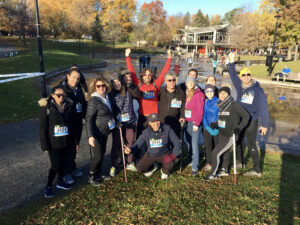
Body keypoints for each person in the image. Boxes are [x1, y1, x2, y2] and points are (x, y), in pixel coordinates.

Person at [228, 52, 269, 177]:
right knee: (238, 140)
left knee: (251, 143)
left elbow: (263, 107)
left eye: (248, 74)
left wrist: (265, 124)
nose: (246, 77)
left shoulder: (257, 89)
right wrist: (231, 61)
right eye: (243, 75)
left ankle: (256, 169)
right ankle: (241, 162)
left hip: (252, 120)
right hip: (240, 119)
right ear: (241, 77)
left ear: (251, 76)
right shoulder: (239, 86)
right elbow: (232, 74)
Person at [125, 48, 172, 140]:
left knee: (154, 138)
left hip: (154, 117)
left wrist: (169, 57)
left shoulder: (156, 85)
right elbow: (132, 71)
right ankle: (139, 154)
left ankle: (153, 154)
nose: (147, 77)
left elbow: (164, 72)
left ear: (152, 76)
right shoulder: (139, 84)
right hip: (142, 116)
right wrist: (127, 56)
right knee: (140, 138)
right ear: (142, 76)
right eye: (145, 75)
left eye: (149, 75)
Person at [39, 86, 77, 198]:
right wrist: (44, 145)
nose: (61, 97)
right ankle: (49, 186)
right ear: (53, 95)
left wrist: (75, 141)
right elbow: (42, 128)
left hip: (66, 141)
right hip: (53, 143)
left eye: (63, 95)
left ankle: (60, 182)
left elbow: (72, 125)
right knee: (55, 166)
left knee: (63, 163)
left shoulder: (69, 105)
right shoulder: (47, 108)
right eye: (58, 95)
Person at [205, 86, 250, 181]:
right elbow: (223, 119)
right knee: (225, 152)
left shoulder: (233, 105)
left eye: (225, 93)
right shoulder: (221, 105)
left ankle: (212, 174)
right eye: (220, 93)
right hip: (222, 133)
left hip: (231, 135)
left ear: (229, 94)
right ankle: (224, 170)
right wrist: (216, 124)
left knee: (215, 153)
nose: (222, 95)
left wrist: (239, 128)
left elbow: (246, 116)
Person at [124, 114, 180, 180]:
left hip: (164, 154)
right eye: (153, 122)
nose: (156, 124)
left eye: (157, 121)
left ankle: (165, 171)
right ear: (149, 123)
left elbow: (177, 142)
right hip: (151, 154)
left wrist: (174, 155)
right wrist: (130, 150)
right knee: (140, 168)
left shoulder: (167, 129)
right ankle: (153, 167)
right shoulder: (146, 132)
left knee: (170, 163)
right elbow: (138, 143)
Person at [109, 72, 143, 176]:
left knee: (130, 142)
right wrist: (116, 120)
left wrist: (130, 85)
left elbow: (139, 95)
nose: (116, 84)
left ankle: (129, 162)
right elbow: (111, 110)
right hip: (118, 123)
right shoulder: (110, 94)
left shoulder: (128, 90)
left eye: (118, 81)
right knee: (116, 144)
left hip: (130, 121)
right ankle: (113, 165)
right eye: (114, 82)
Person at [86, 77, 115, 186]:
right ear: (94, 87)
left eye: (103, 85)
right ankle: (91, 176)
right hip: (96, 133)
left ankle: (99, 172)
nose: (101, 88)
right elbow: (89, 119)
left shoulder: (107, 96)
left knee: (102, 154)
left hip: (105, 131)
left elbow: (111, 112)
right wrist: (90, 136)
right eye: (98, 86)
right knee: (97, 156)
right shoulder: (94, 100)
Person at [60, 67, 87, 185]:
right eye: (73, 77)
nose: (75, 80)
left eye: (78, 78)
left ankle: (72, 167)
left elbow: (83, 105)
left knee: (75, 146)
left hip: (78, 123)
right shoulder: (62, 90)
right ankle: (65, 173)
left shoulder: (79, 90)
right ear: (67, 76)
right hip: (67, 124)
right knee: (67, 149)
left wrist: (87, 117)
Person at [184, 77, 205, 176]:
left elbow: (200, 111)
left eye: (192, 82)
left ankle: (195, 167)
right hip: (187, 122)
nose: (190, 83)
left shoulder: (199, 94)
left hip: (195, 123)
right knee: (189, 143)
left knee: (195, 145)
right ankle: (191, 160)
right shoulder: (185, 93)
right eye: (188, 82)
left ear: (194, 83)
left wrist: (197, 124)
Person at [158, 72, 185, 138]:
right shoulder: (161, 91)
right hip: (163, 120)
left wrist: (182, 116)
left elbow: (183, 106)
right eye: (169, 80)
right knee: (164, 141)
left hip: (175, 121)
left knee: (175, 141)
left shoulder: (181, 92)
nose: (172, 82)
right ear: (165, 82)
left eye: (173, 80)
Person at [202, 84, 219, 172]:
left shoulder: (219, 101)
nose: (209, 93)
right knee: (208, 146)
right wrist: (207, 127)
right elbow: (203, 115)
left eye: (211, 91)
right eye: (207, 91)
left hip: (216, 127)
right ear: (205, 93)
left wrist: (216, 128)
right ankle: (209, 162)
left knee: (216, 146)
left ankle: (217, 162)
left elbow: (220, 115)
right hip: (207, 127)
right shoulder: (205, 101)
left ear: (214, 91)